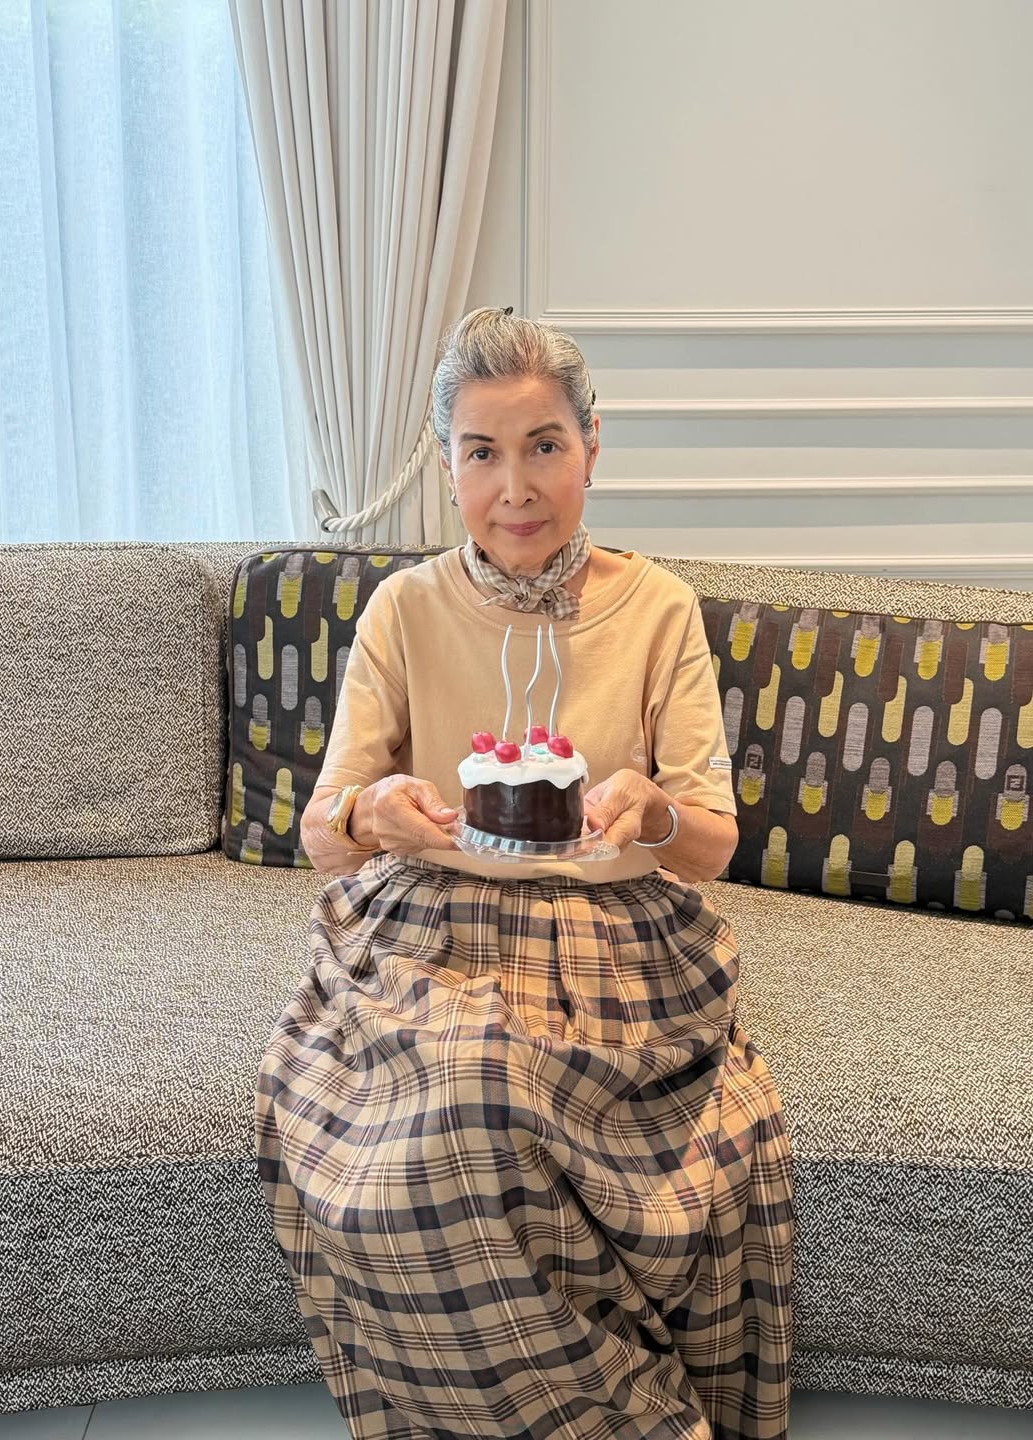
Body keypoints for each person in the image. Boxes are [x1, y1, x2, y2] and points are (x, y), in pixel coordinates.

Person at [253, 307, 795, 1440]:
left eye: (544, 444)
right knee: (453, 1110)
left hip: (618, 931)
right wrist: (372, 812)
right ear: (447, 465)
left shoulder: (658, 608)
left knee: (487, 1100)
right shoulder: (404, 609)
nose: (516, 487)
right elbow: (321, 836)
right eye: (482, 452)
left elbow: (713, 843)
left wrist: (652, 811)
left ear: (593, 444)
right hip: (427, 928)